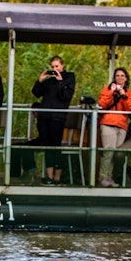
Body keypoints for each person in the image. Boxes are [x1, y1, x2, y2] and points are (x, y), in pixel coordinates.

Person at [30, 55, 76, 185]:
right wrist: (40, 80)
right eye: (53, 67)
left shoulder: (69, 77)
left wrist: (60, 81)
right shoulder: (49, 81)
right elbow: (36, 93)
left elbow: (66, 96)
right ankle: (49, 177)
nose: (55, 69)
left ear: (62, 66)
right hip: (45, 116)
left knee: (56, 145)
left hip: (58, 117)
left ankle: (57, 177)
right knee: (47, 145)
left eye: (57, 66)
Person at [97, 67, 131, 187]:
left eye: (122, 75)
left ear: (126, 78)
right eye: (117, 75)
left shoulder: (130, 93)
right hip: (108, 123)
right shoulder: (107, 90)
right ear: (114, 78)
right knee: (108, 151)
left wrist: (124, 96)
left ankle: (110, 177)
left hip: (122, 125)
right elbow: (102, 105)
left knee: (116, 153)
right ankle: (103, 177)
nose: (119, 78)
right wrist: (111, 92)